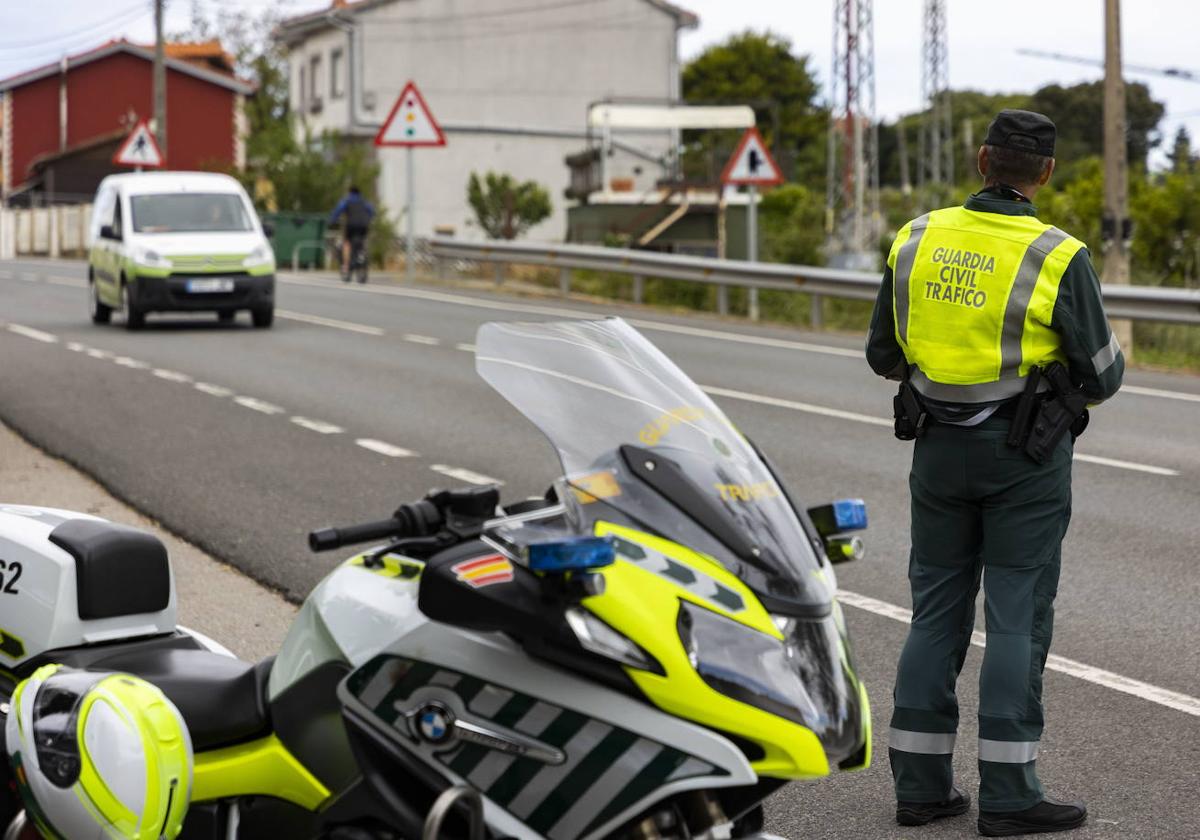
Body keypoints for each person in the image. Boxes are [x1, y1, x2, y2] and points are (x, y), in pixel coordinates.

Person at [866, 110, 1124, 837]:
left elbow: (884, 355)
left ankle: (920, 789)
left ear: (982, 160)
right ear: (1043, 173)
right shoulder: (1057, 254)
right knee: (1016, 614)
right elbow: (1102, 375)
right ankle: (1010, 797)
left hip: (937, 450)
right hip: (1025, 457)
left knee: (936, 610)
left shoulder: (917, 237)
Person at [328, 186, 376, 275]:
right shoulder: (365, 202)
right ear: (359, 193)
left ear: (350, 192)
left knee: (347, 243)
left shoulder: (347, 201)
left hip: (351, 225)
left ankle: (346, 266)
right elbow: (372, 211)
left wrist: (332, 220)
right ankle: (362, 254)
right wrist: (369, 219)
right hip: (364, 225)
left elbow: (338, 210)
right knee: (363, 240)